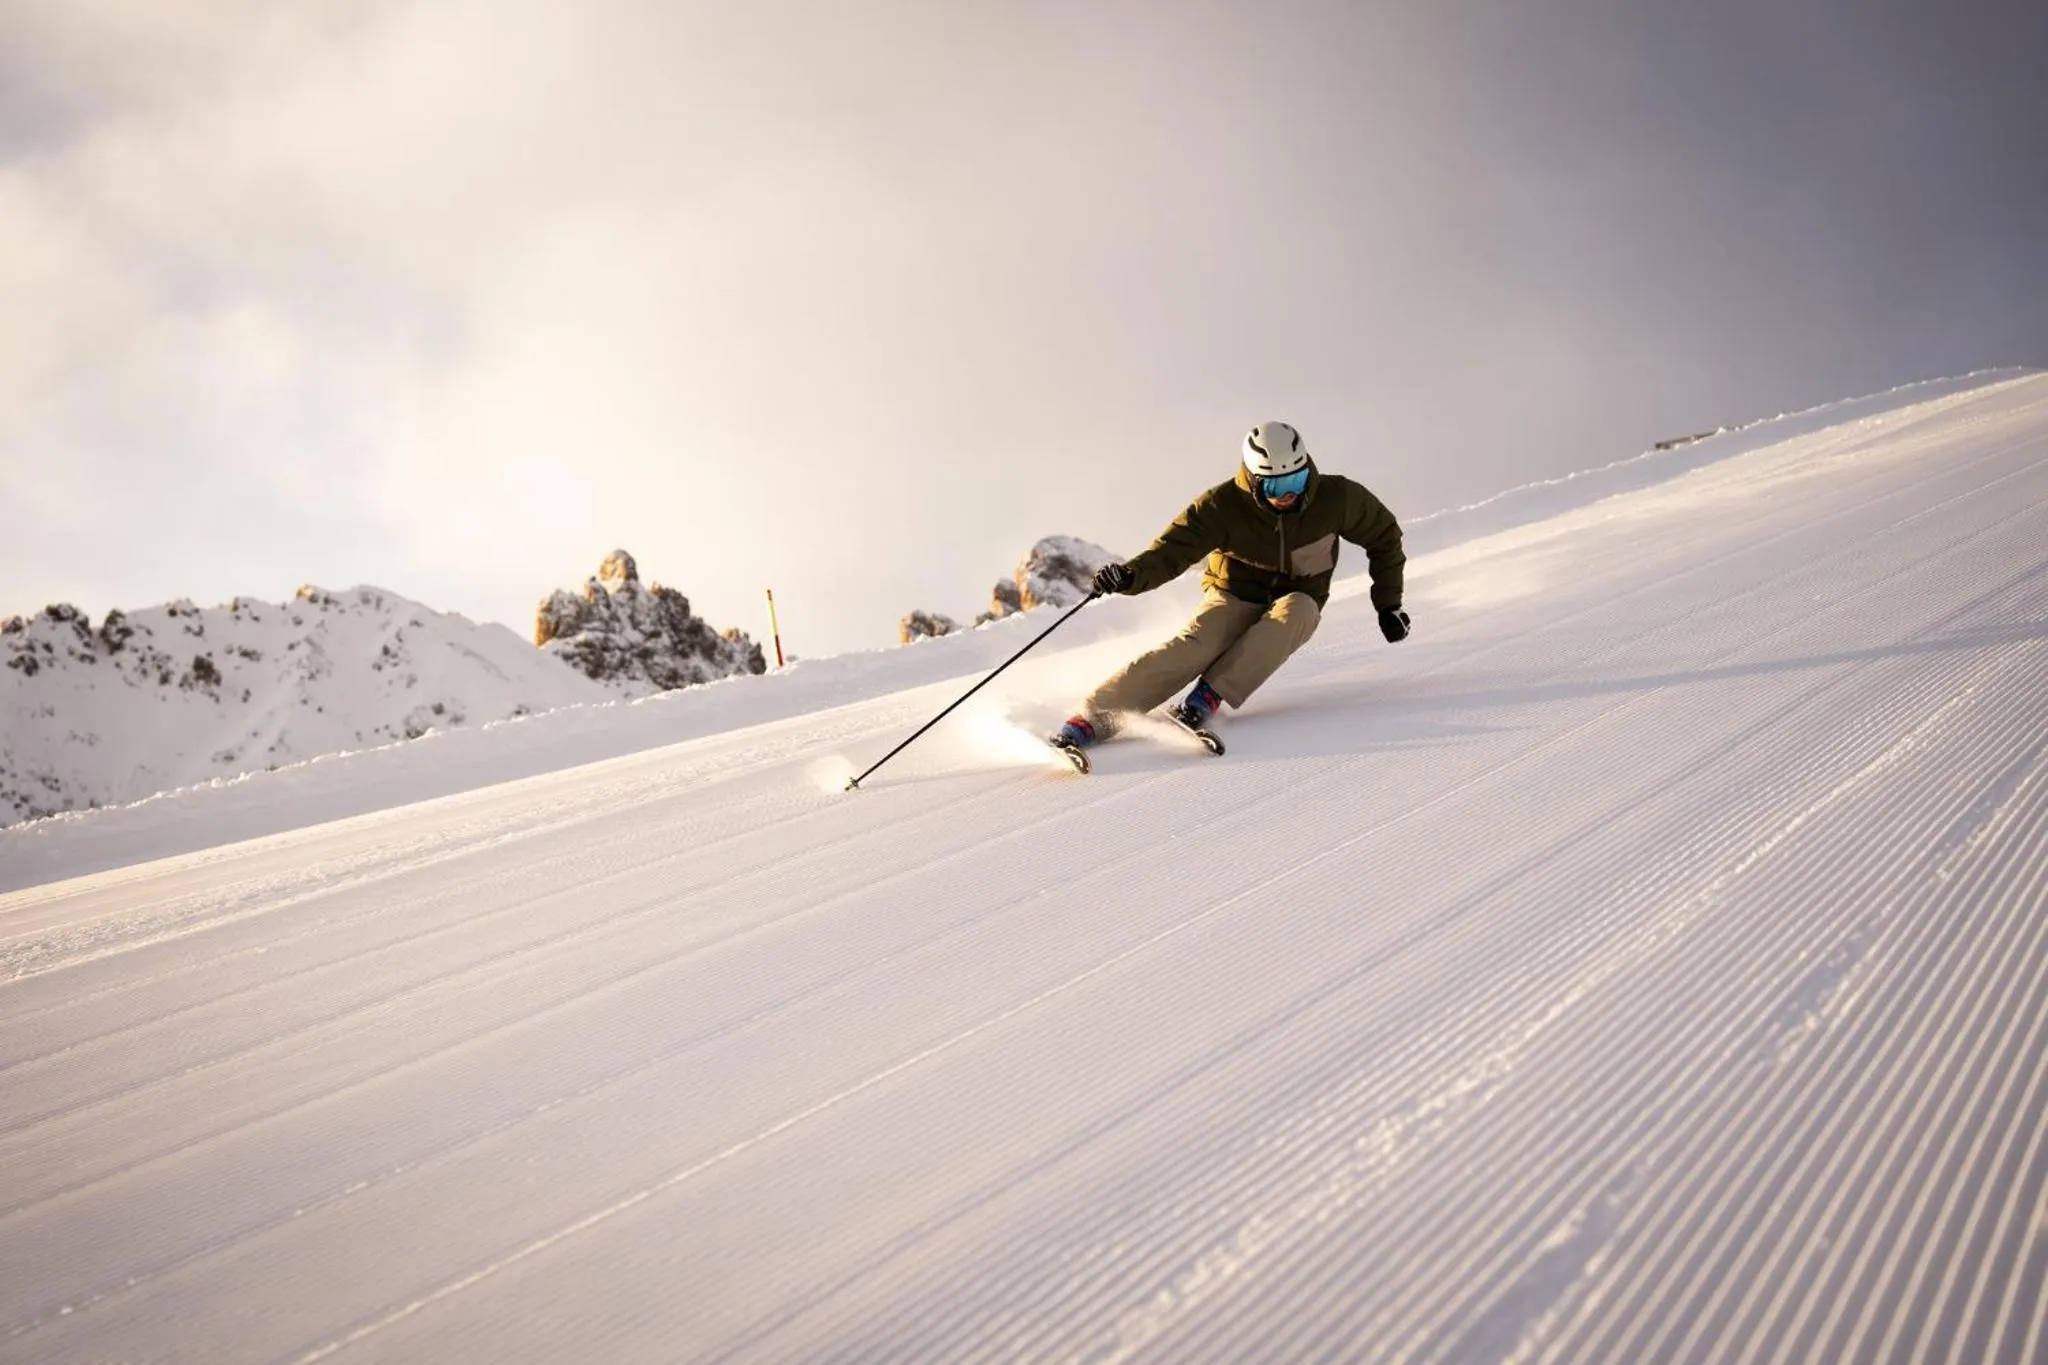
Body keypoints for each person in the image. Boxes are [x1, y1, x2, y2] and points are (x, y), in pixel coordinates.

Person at [1052, 421, 1408, 750]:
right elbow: (1171, 551)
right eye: (1275, 486)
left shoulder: (1337, 498)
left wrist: (1388, 604)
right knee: (1197, 646)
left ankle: (1205, 699)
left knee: (1295, 613)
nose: (1287, 495)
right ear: (1253, 480)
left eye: (1295, 482)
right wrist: (1129, 576)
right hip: (1233, 593)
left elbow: (1385, 537)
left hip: (1299, 596)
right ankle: (1088, 722)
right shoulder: (1221, 506)